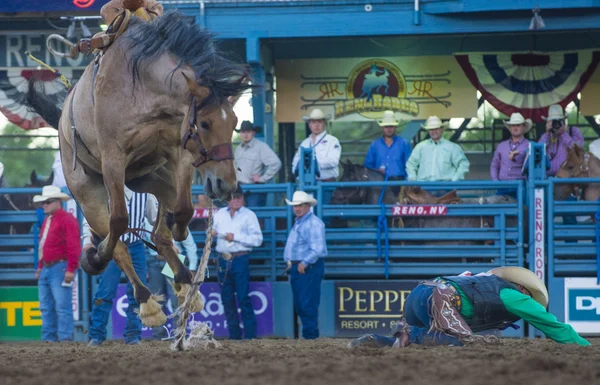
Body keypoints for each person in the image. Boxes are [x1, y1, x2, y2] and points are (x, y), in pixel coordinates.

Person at [348, 267, 590, 349]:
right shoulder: (516, 296)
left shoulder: (488, 282)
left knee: (425, 341)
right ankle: (411, 334)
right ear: (524, 288)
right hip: (439, 301)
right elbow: (551, 324)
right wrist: (583, 346)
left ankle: (375, 340)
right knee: (462, 343)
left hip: (421, 293)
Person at [85, 189, 157, 346]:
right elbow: (91, 215)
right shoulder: (107, 189)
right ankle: (97, 334)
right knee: (105, 290)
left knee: (137, 292)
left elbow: (154, 217)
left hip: (134, 244)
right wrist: (87, 239)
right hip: (113, 245)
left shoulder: (145, 191)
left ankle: (131, 335)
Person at [211, 186, 263, 340]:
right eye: (233, 197)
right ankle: (234, 335)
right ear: (228, 200)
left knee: (242, 297)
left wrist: (235, 237)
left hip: (240, 257)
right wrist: (213, 232)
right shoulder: (220, 214)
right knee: (226, 298)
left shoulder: (249, 215)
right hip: (222, 257)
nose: (236, 200)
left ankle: (250, 335)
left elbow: (257, 240)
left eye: (238, 197)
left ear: (243, 199)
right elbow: (214, 230)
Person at [33, 185, 81, 342]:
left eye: (48, 202)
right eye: (43, 202)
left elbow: (73, 245)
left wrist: (71, 268)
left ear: (57, 202)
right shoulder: (49, 220)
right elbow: (43, 245)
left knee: (61, 307)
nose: (44, 205)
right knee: (47, 307)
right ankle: (50, 339)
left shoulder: (66, 219)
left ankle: (65, 338)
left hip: (59, 267)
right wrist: (40, 267)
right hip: (49, 267)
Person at [143, 219, 198, 340]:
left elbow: (189, 243)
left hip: (173, 262)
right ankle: (159, 335)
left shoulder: (175, 221)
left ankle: (178, 334)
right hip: (155, 261)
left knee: (176, 300)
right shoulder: (147, 220)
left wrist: (193, 268)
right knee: (157, 301)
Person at [284, 191, 327, 339]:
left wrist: (304, 263)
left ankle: (310, 336)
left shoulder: (312, 223)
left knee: (306, 303)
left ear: (307, 206)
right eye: (295, 205)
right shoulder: (302, 222)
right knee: (303, 303)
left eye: (300, 205)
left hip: (307, 267)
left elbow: (318, 248)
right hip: (302, 266)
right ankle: (310, 336)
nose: (297, 208)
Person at [539, 104, 585, 233]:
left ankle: (572, 252)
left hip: (568, 184)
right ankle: (546, 251)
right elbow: (538, 153)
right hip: (548, 183)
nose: (556, 124)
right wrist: (547, 134)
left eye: (558, 121)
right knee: (545, 220)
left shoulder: (572, 132)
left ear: (564, 120)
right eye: (553, 121)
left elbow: (579, 149)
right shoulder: (547, 136)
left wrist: (563, 134)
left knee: (569, 220)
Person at [292, 108, 341, 204]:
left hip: (326, 184)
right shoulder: (304, 143)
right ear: (309, 124)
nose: (317, 125)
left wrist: (312, 165)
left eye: (319, 121)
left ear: (324, 123)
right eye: (314, 122)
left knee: (325, 213)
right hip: (306, 185)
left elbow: (334, 161)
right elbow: (295, 166)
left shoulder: (332, 141)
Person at [406, 116, 470, 183]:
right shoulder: (420, 147)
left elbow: (463, 164)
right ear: (428, 131)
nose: (433, 131)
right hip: (424, 187)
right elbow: (411, 164)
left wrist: (455, 180)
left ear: (441, 129)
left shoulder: (452, 147)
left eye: (436, 128)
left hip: (445, 186)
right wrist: (413, 179)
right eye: (431, 129)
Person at [234, 120, 282, 207]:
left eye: (248, 131)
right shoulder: (238, 149)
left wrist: (262, 179)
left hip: (255, 190)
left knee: (255, 217)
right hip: (239, 189)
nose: (245, 134)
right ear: (240, 133)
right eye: (243, 132)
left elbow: (276, 163)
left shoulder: (261, 147)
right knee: (240, 218)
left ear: (253, 132)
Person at [364, 110, 412, 196]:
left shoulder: (404, 144)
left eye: (391, 126)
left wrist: (407, 183)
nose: (389, 129)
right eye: (386, 126)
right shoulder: (375, 145)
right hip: (379, 183)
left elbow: (409, 165)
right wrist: (376, 171)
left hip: (399, 182)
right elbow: (368, 166)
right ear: (383, 128)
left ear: (395, 127)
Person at [490, 113, 531, 197]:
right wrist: (496, 181)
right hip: (502, 186)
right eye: (513, 125)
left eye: (518, 125)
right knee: (501, 208)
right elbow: (494, 165)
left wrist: (518, 155)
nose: (515, 127)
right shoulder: (501, 146)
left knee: (522, 209)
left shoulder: (530, 145)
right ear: (510, 128)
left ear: (523, 127)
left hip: (521, 187)